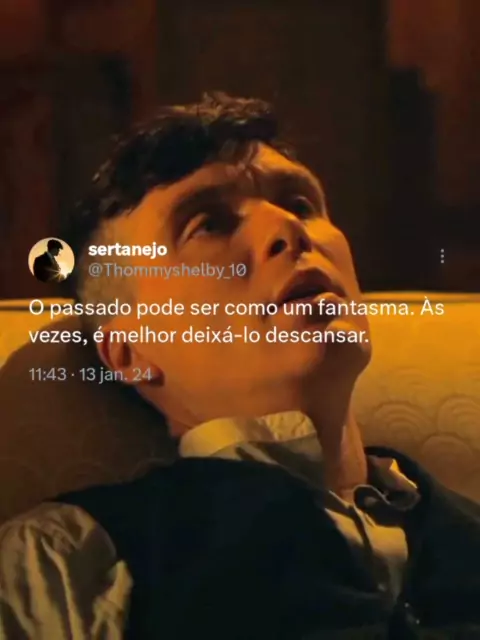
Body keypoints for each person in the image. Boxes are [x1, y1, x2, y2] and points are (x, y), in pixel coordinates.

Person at [1, 92, 479, 640]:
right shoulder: (68, 560)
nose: (289, 230)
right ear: (132, 352)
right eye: (208, 224)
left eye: (301, 204)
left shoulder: (458, 525)